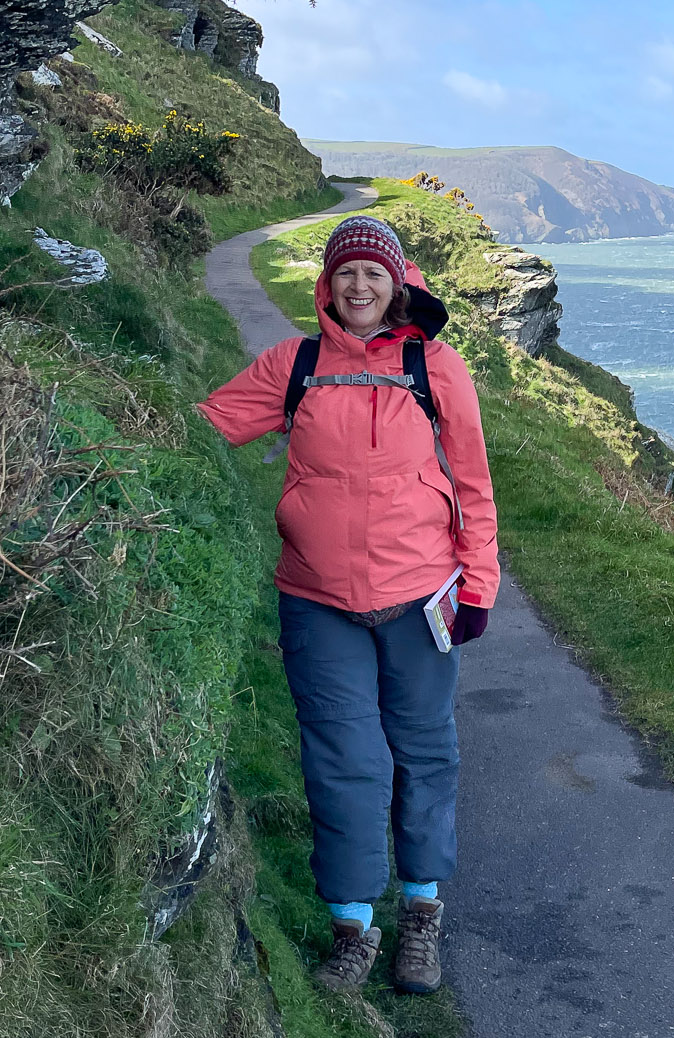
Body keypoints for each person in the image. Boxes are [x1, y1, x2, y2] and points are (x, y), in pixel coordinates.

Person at [197, 213, 499, 994]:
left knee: (424, 753)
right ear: (326, 285)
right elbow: (204, 427)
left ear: (397, 283)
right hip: (317, 598)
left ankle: (422, 914)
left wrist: (480, 584)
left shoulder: (436, 366)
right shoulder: (293, 364)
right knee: (344, 762)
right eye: (345, 272)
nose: (359, 285)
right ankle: (353, 927)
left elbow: (473, 484)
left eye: (373, 272)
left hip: (422, 595)